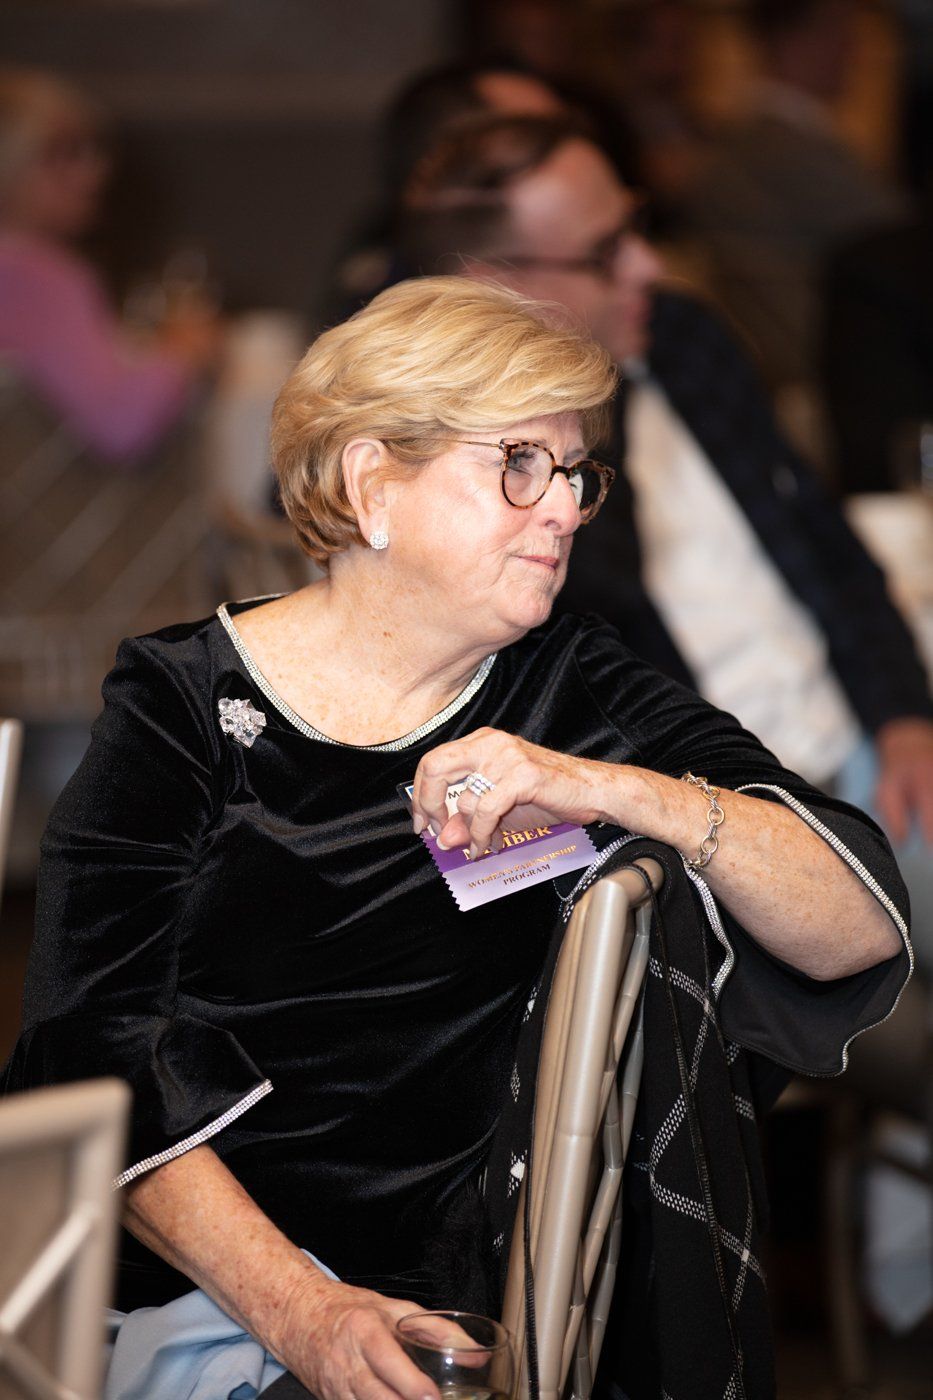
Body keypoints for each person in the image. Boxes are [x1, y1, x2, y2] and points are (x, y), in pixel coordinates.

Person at [2, 278, 909, 1400]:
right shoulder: (183, 706)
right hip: (204, 1284)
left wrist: (604, 786)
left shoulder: (570, 686)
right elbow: (88, 1054)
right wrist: (305, 1314)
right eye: (520, 463)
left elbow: (855, 925)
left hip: (462, 1304)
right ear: (371, 480)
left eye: (575, 472)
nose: (564, 508)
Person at [398, 113, 933, 966]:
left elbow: (824, 541)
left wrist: (903, 714)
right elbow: (506, 855)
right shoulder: (479, 490)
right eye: (604, 251)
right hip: (714, 835)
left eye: (636, 227)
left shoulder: (681, 337)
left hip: (858, 749)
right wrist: (577, 418)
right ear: (494, 282)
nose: (647, 265)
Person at [682, 0, 904, 391]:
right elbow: (902, 244)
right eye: (841, 32)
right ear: (793, 39)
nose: (855, 51)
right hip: (822, 368)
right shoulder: (783, 146)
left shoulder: (745, 137)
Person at [0, 67, 219, 462]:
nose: (94, 171)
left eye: (92, 151)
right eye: (62, 153)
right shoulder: (36, 276)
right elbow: (122, 423)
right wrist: (184, 348)